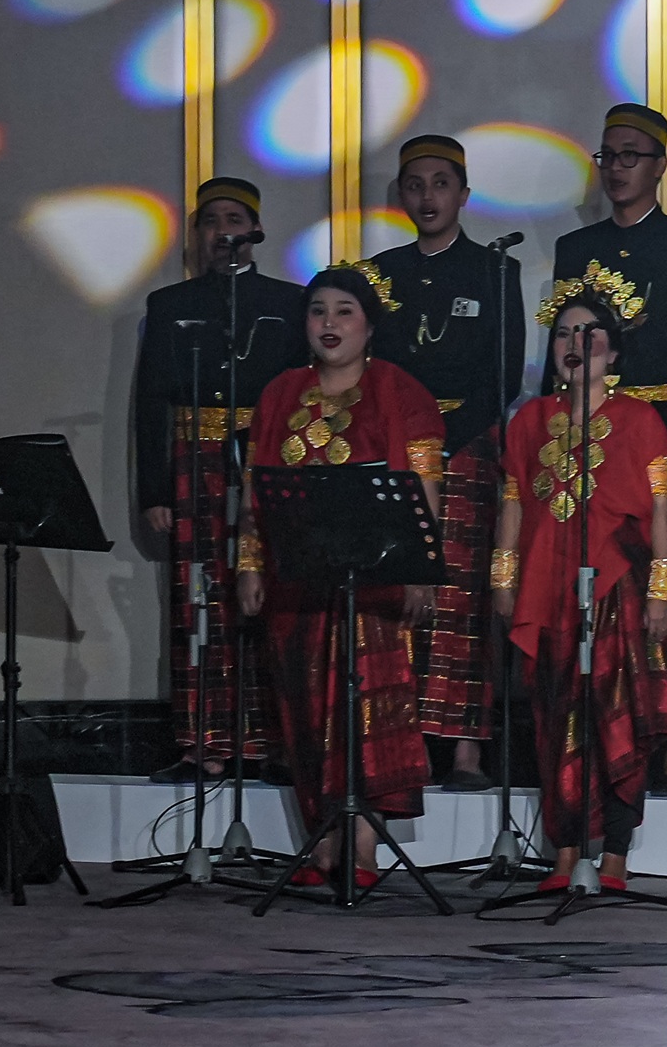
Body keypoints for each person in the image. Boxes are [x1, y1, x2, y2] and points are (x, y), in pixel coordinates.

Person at [235, 264, 445, 889]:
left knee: (367, 706)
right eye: (318, 310)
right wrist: (249, 564)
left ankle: (363, 848)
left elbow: (425, 490)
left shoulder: (403, 392)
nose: (329, 323)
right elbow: (252, 492)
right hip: (297, 578)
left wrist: (421, 570)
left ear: (370, 326)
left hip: (375, 581)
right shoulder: (279, 393)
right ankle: (322, 842)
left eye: (344, 311)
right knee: (303, 706)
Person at [548, 102, 667, 796]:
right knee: (595, 587)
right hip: (592, 435)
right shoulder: (577, 249)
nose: (617, 168)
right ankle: (601, 732)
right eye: (608, 155)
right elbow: (559, 354)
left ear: (659, 165)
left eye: (631, 155)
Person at [490, 270, 667, 891]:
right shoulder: (528, 421)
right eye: (564, 334)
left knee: (616, 718)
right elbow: (514, 503)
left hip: (616, 586)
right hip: (547, 590)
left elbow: (661, 510)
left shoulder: (640, 419)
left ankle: (616, 856)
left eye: (590, 333)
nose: (575, 344)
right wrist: (503, 576)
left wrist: (661, 591)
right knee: (556, 721)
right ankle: (566, 851)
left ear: (614, 351)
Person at [131, 177, 306, 784]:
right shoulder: (170, 304)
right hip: (193, 462)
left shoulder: (289, 301)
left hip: (267, 459)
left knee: (271, 597)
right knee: (199, 598)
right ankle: (201, 743)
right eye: (210, 221)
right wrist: (154, 492)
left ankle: (273, 743)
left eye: (233, 219)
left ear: (254, 229)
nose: (221, 231)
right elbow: (151, 402)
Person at [369, 134, 525, 793]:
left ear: (462, 194)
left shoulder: (494, 270)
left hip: (467, 445)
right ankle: (401, 744)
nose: (427, 196)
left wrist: (442, 439)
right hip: (395, 449)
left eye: (440, 184)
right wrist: (407, 443)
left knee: (463, 595)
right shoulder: (381, 273)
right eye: (415, 185)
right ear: (401, 197)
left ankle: (465, 749)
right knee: (396, 595)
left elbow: (504, 375)